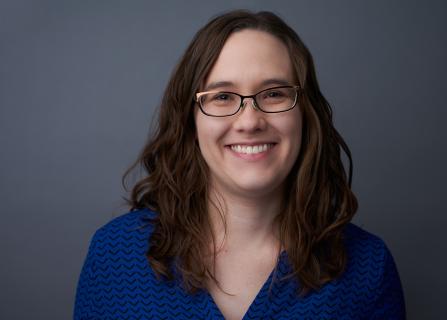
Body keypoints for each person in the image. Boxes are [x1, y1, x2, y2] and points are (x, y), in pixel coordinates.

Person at [74, 10, 406, 320]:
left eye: (274, 93)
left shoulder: (368, 268)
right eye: (222, 97)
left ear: (306, 114)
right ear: (191, 121)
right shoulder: (113, 257)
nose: (249, 121)